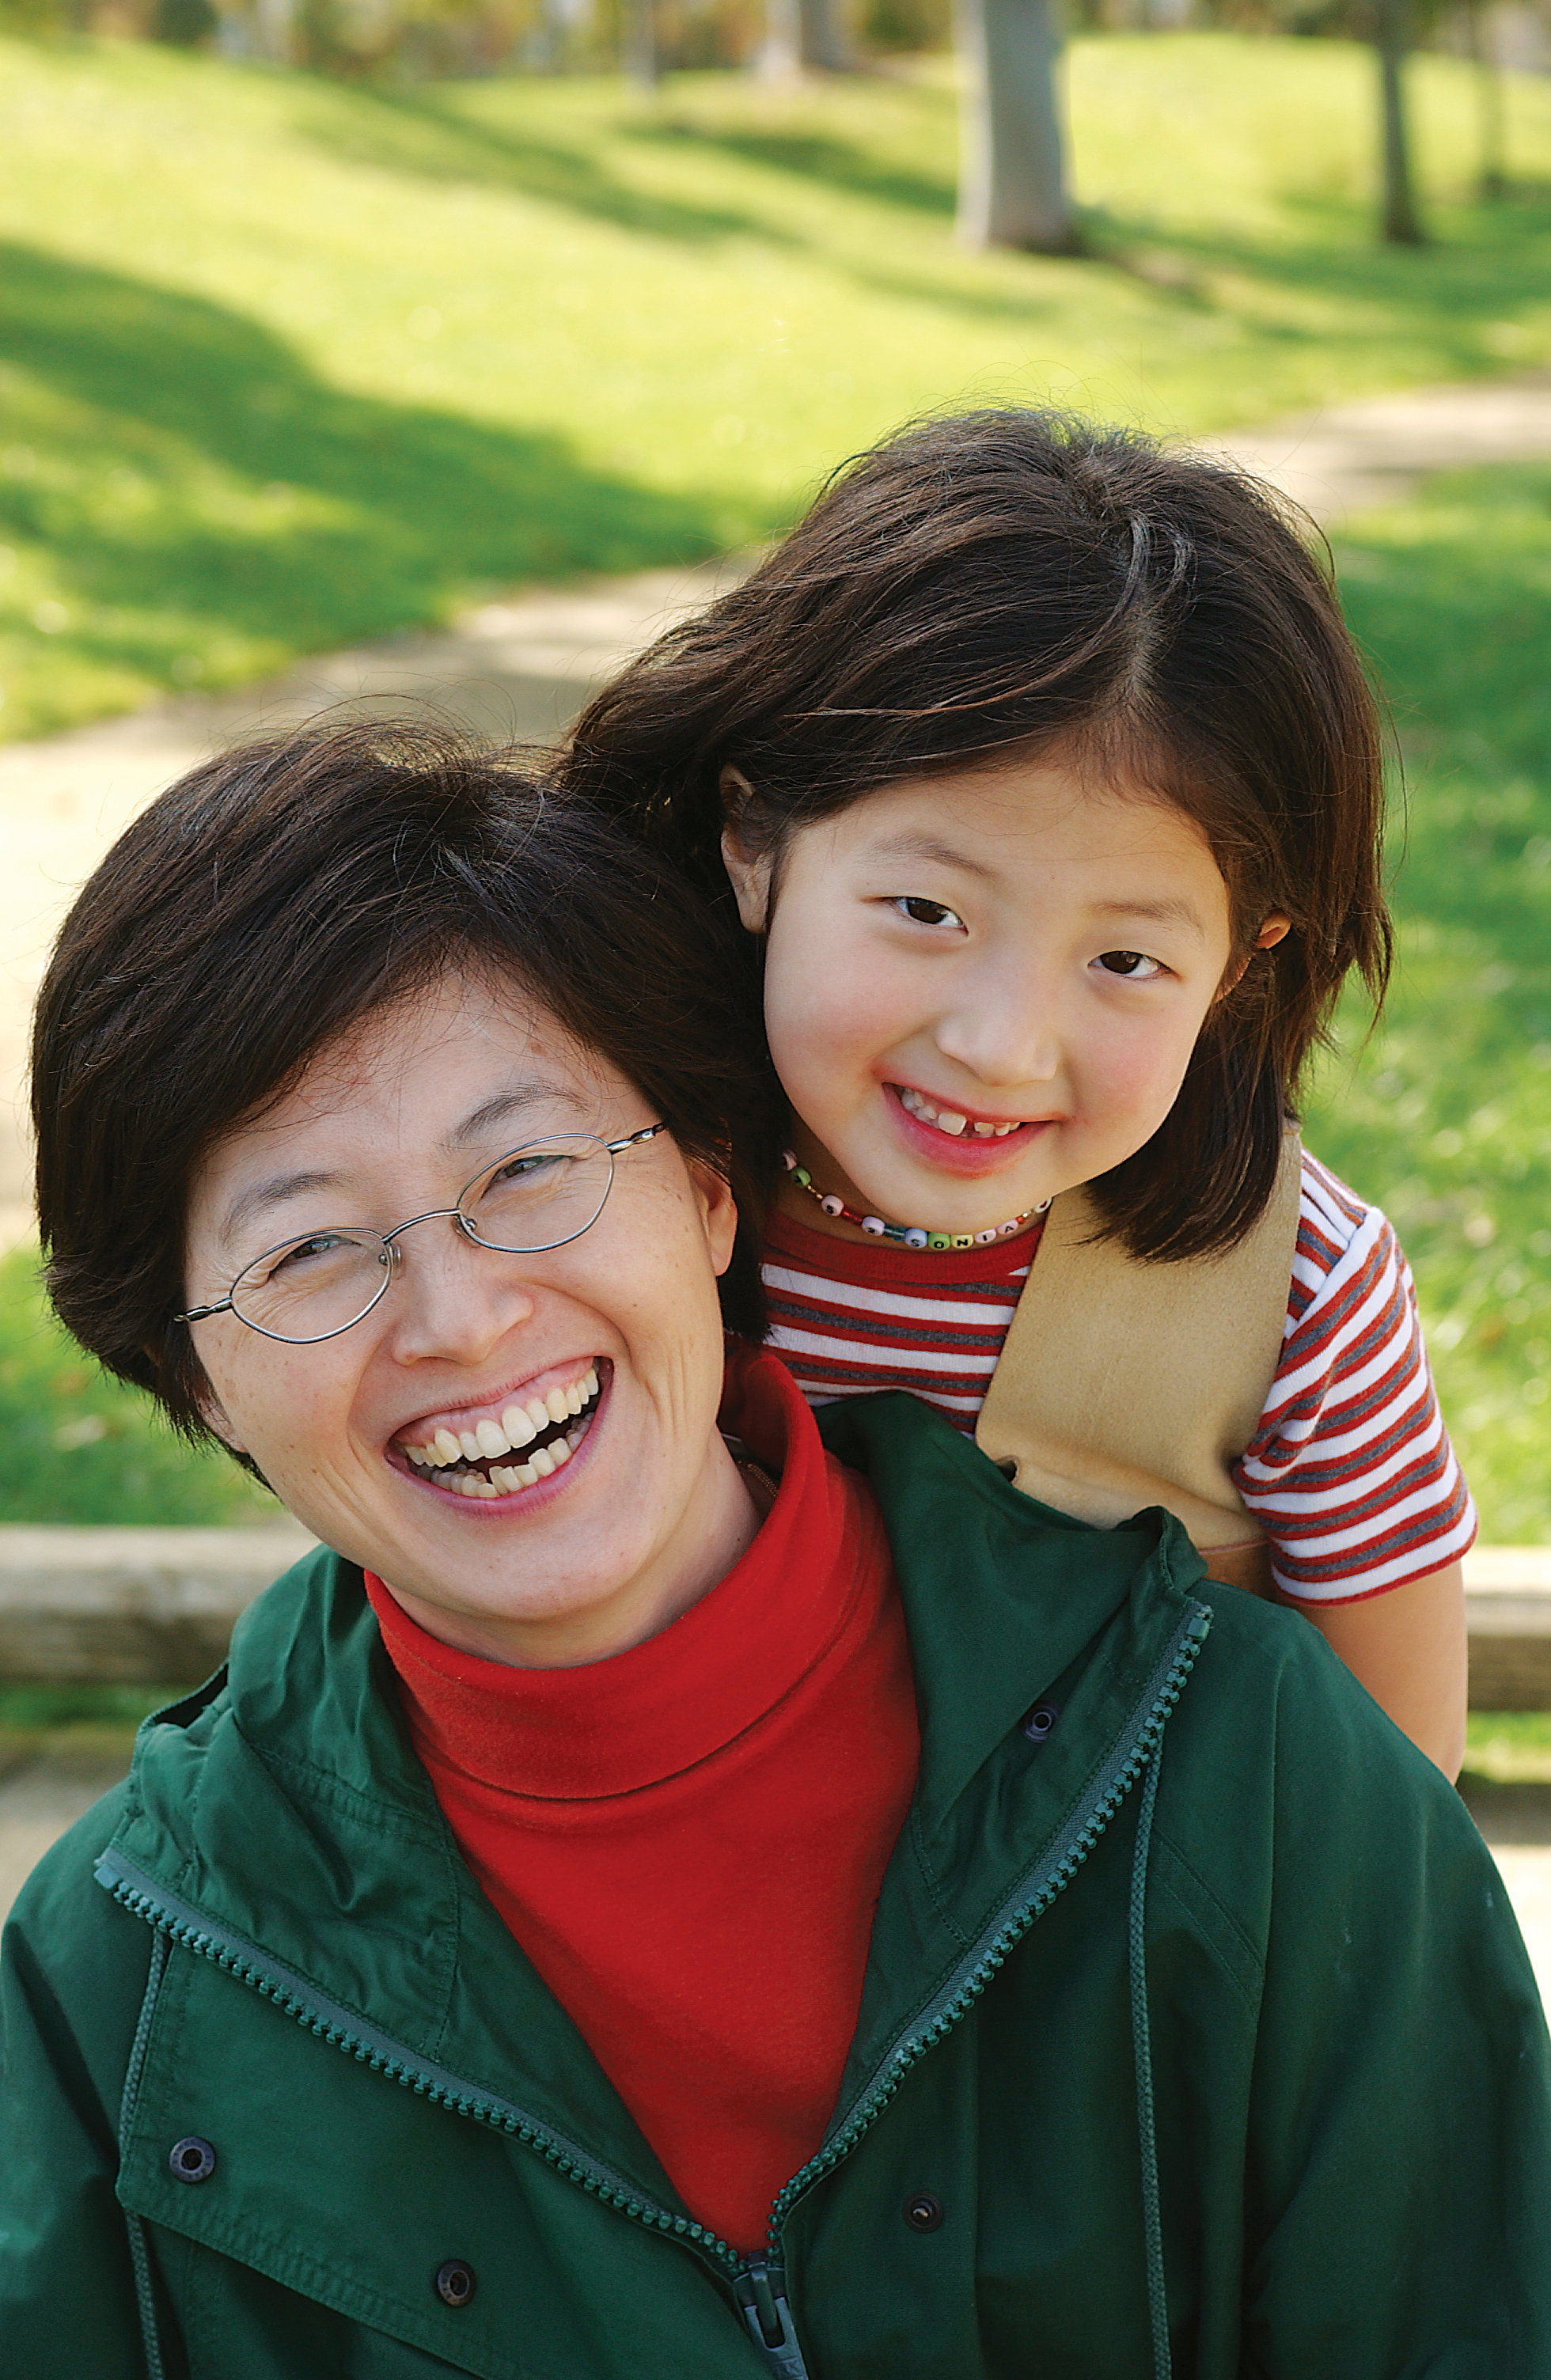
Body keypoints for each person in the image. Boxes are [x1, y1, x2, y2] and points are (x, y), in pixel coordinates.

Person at [3, 723, 1548, 2379]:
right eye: (309, 1251)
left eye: (526, 1168)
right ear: (197, 1379)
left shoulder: (1252, 1785)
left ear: (712, 1191)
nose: (460, 1322)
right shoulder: (115, 2005)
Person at [561, 407, 1473, 1775]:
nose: (1001, 1044)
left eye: (1124, 957)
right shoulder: (578, 1196)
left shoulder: (1298, 1300)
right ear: (756, 841)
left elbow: (1401, 1817)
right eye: (927, 909)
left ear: (1241, 959)